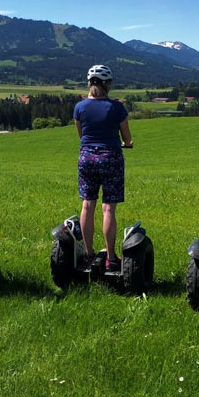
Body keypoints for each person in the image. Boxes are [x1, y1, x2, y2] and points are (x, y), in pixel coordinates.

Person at [73, 64, 132, 269]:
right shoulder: (116, 107)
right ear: (107, 84)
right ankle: (111, 258)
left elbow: (82, 135)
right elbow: (127, 138)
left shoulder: (79, 107)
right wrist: (127, 144)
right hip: (111, 158)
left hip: (86, 158)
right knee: (108, 209)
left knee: (87, 206)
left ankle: (89, 254)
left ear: (89, 84)